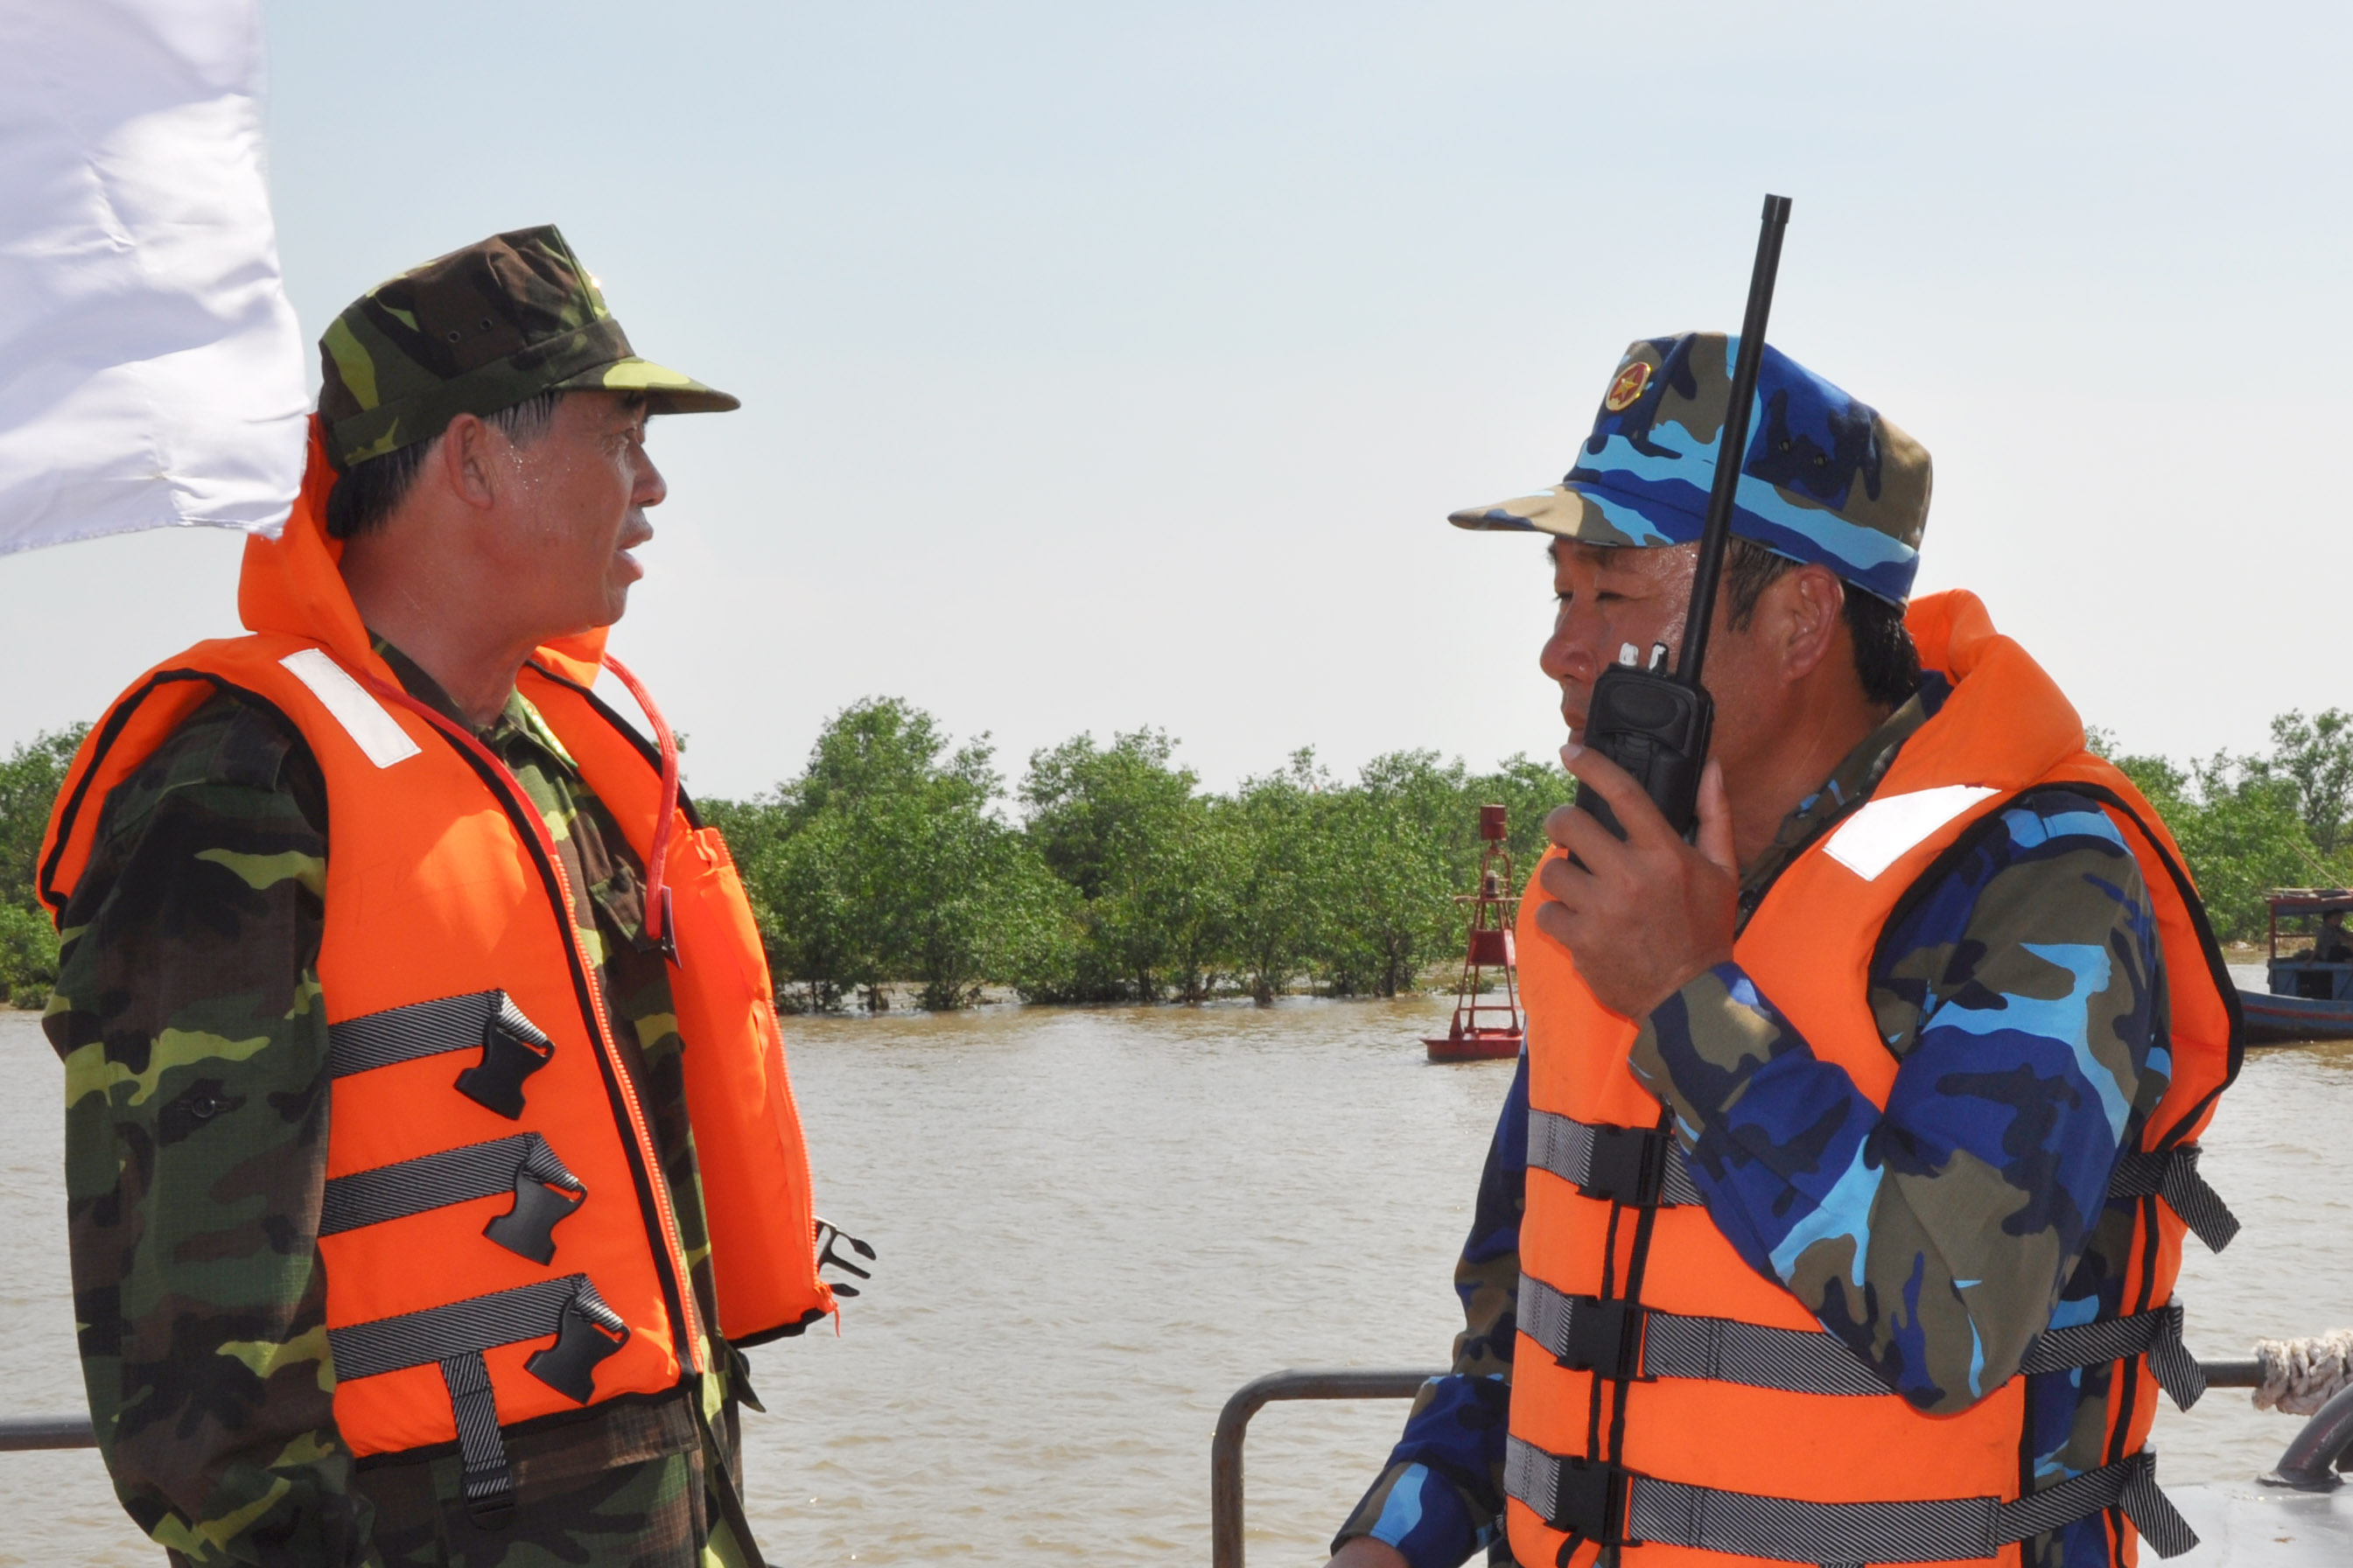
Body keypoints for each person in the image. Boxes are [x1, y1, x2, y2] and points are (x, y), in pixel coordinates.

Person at [1328, 332, 2240, 1568]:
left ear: (1800, 614)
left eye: (1612, 592)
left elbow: (1952, 1329)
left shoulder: (2039, 884)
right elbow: (1529, 1324)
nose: (1560, 647)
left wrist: (1690, 1000)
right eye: (1559, 592)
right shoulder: (1610, 886)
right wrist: (1392, 1538)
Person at [39, 228, 843, 1567]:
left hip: (667, 1506)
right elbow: (192, 1351)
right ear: (473, 455)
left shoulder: (563, 764)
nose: (650, 488)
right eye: (619, 438)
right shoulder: (239, 783)